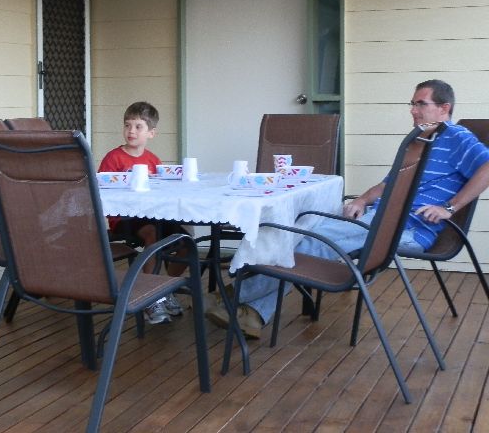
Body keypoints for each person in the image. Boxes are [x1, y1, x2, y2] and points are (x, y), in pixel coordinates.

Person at [206, 79, 489, 339]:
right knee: (303, 230)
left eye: (420, 104)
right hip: (379, 216)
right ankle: (252, 313)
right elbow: (388, 184)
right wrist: (362, 200)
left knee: (315, 244)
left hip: (406, 227)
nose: (413, 111)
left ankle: (234, 297)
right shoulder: (421, 141)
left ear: (444, 108)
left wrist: (449, 207)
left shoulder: (454, 136)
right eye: (412, 104)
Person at [99, 101, 188, 324]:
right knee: (153, 235)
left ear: (151, 133)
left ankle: (163, 288)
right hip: (124, 218)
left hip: (152, 214)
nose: (131, 131)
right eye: (127, 125)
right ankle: (149, 297)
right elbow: (102, 190)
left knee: (187, 240)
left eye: (138, 126)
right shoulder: (114, 158)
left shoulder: (153, 161)